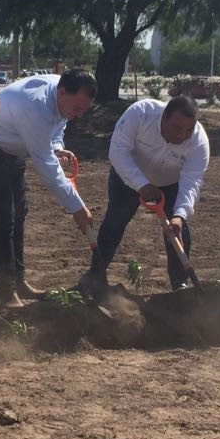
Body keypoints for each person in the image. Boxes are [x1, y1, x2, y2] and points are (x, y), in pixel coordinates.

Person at [0, 68, 96, 308]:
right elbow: (47, 166)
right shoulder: (36, 106)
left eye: (84, 110)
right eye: (77, 108)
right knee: (4, 219)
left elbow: (58, 125)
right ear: (61, 92)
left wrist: (57, 146)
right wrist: (77, 207)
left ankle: (18, 282)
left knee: (19, 215)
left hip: (15, 149)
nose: (78, 115)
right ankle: (5, 291)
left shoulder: (62, 96)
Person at [77, 96, 210, 295]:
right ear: (164, 117)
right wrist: (141, 184)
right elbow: (118, 151)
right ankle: (95, 277)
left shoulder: (199, 142)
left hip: (170, 184)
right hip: (128, 177)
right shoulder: (141, 114)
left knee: (178, 230)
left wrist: (180, 215)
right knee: (115, 222)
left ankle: (180, 287)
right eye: (177, 128)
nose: (183, 135)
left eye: (188, 130)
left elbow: (192, 182)